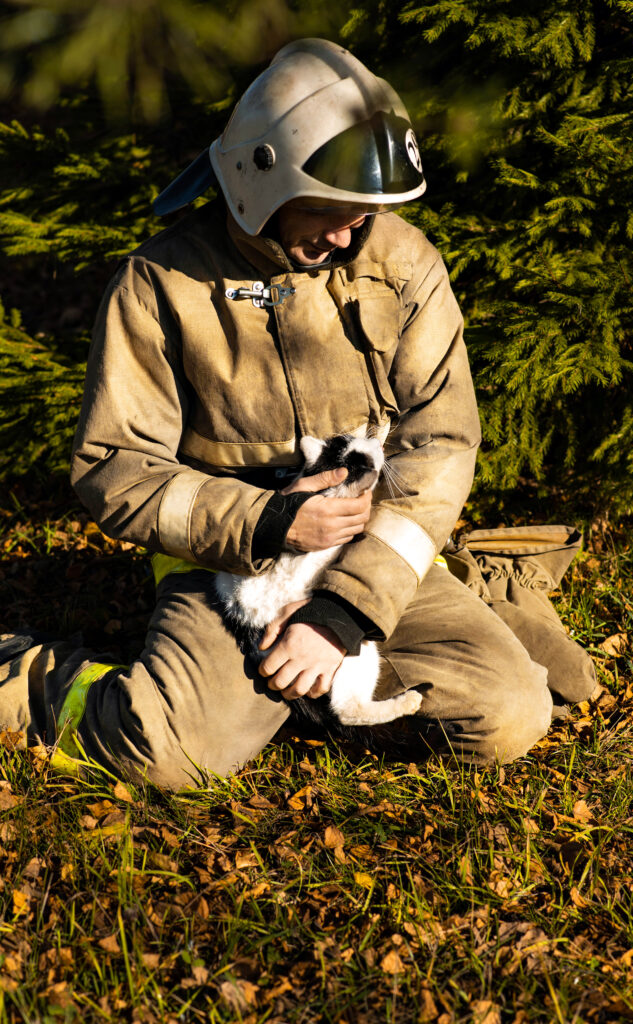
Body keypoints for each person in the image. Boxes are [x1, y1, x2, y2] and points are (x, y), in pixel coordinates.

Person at [0, 39, 596, 789]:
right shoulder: (158, 284)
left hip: (369, 556)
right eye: (330, 215)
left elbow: (439, 442)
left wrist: (342, 617)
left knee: (509, 713)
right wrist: (267, 523)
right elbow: (114, 467)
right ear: (259, 183)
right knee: (171, 755)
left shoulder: (403, 262)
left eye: (364, 216)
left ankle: (296, 686)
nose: (351, 236)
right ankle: (35, 678)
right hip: (223, 567)